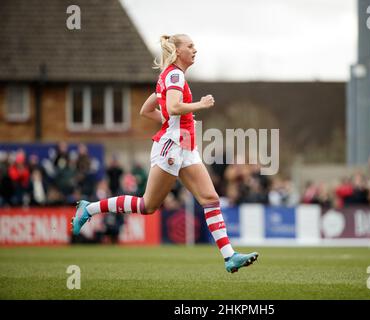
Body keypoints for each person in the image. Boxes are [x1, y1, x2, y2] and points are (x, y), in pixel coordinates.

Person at [71, 34, 258, 273]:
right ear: (178, 51)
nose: (195, 49)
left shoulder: (170, 75)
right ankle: (89, 209)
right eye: (190, 46)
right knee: (148, 205)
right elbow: (172, 107)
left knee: (210, 199)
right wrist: (200, 104)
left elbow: (147, 109)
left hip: (185, 146)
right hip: (172, 146)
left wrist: (170, 121)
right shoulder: (175, 75)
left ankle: (229, 257)